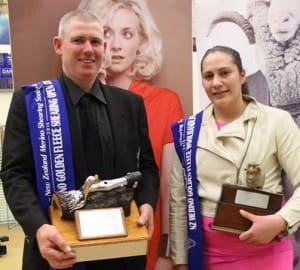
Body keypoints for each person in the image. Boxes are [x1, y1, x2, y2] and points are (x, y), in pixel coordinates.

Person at [0, 9, 159, 270]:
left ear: (104, 47)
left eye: (95, 42)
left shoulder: (131, 104)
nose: (88, 49)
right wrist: (38, 227)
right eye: (78, 40)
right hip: (58, 251)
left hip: (120, 252)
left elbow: (148, 169)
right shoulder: (31, 104)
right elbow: (14, 174)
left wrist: (147, 203)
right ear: (58, 45)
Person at [170, 45, 300, 270]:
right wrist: (181, 261)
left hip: (267, 252)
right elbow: (179, 201)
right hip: (209, 256)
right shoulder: (188, 130)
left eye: (224, 73)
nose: (216, 82)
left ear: (242, 75)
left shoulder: (277, 121)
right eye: (208, 76)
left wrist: (280, 221)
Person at [77, 1, 184, 270]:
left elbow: (170, 187)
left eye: (127, 34)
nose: (115, 45)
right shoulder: (73, 102)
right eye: (107, 32)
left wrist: (167, 251)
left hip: (144, 235)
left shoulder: (165, 101)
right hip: (86, 240)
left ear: (141, 41)